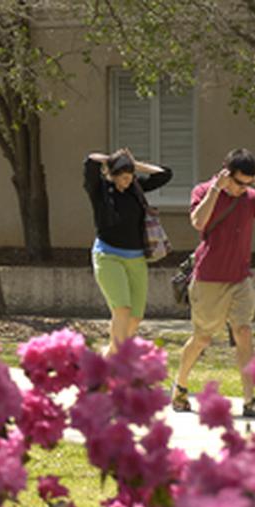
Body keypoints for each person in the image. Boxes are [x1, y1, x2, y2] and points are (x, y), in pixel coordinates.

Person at [172, 148, 255, 417]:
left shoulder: (251, 197)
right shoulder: (203, 191)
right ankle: (180, 387)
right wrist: (215, 190)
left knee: (244, 332)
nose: (241, 189)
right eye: (237, 182)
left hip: (241, 279)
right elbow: (198, 221)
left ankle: (249, 400)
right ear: (225, 172)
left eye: (247, 183)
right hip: (209, 279)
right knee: (202, 338)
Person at [83, 149, 172, 354]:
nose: (128, 181)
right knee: (122, 309)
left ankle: (109, 357)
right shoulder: (99, 189)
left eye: (130, 177)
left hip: (136, 257)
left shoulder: (136, 187)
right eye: (123, 177)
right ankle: (117, 364)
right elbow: (91, 160)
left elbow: (164, 174)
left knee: (135, 316)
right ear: (112, 175)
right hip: (108, 256)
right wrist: (115, 160)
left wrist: (133, 165)